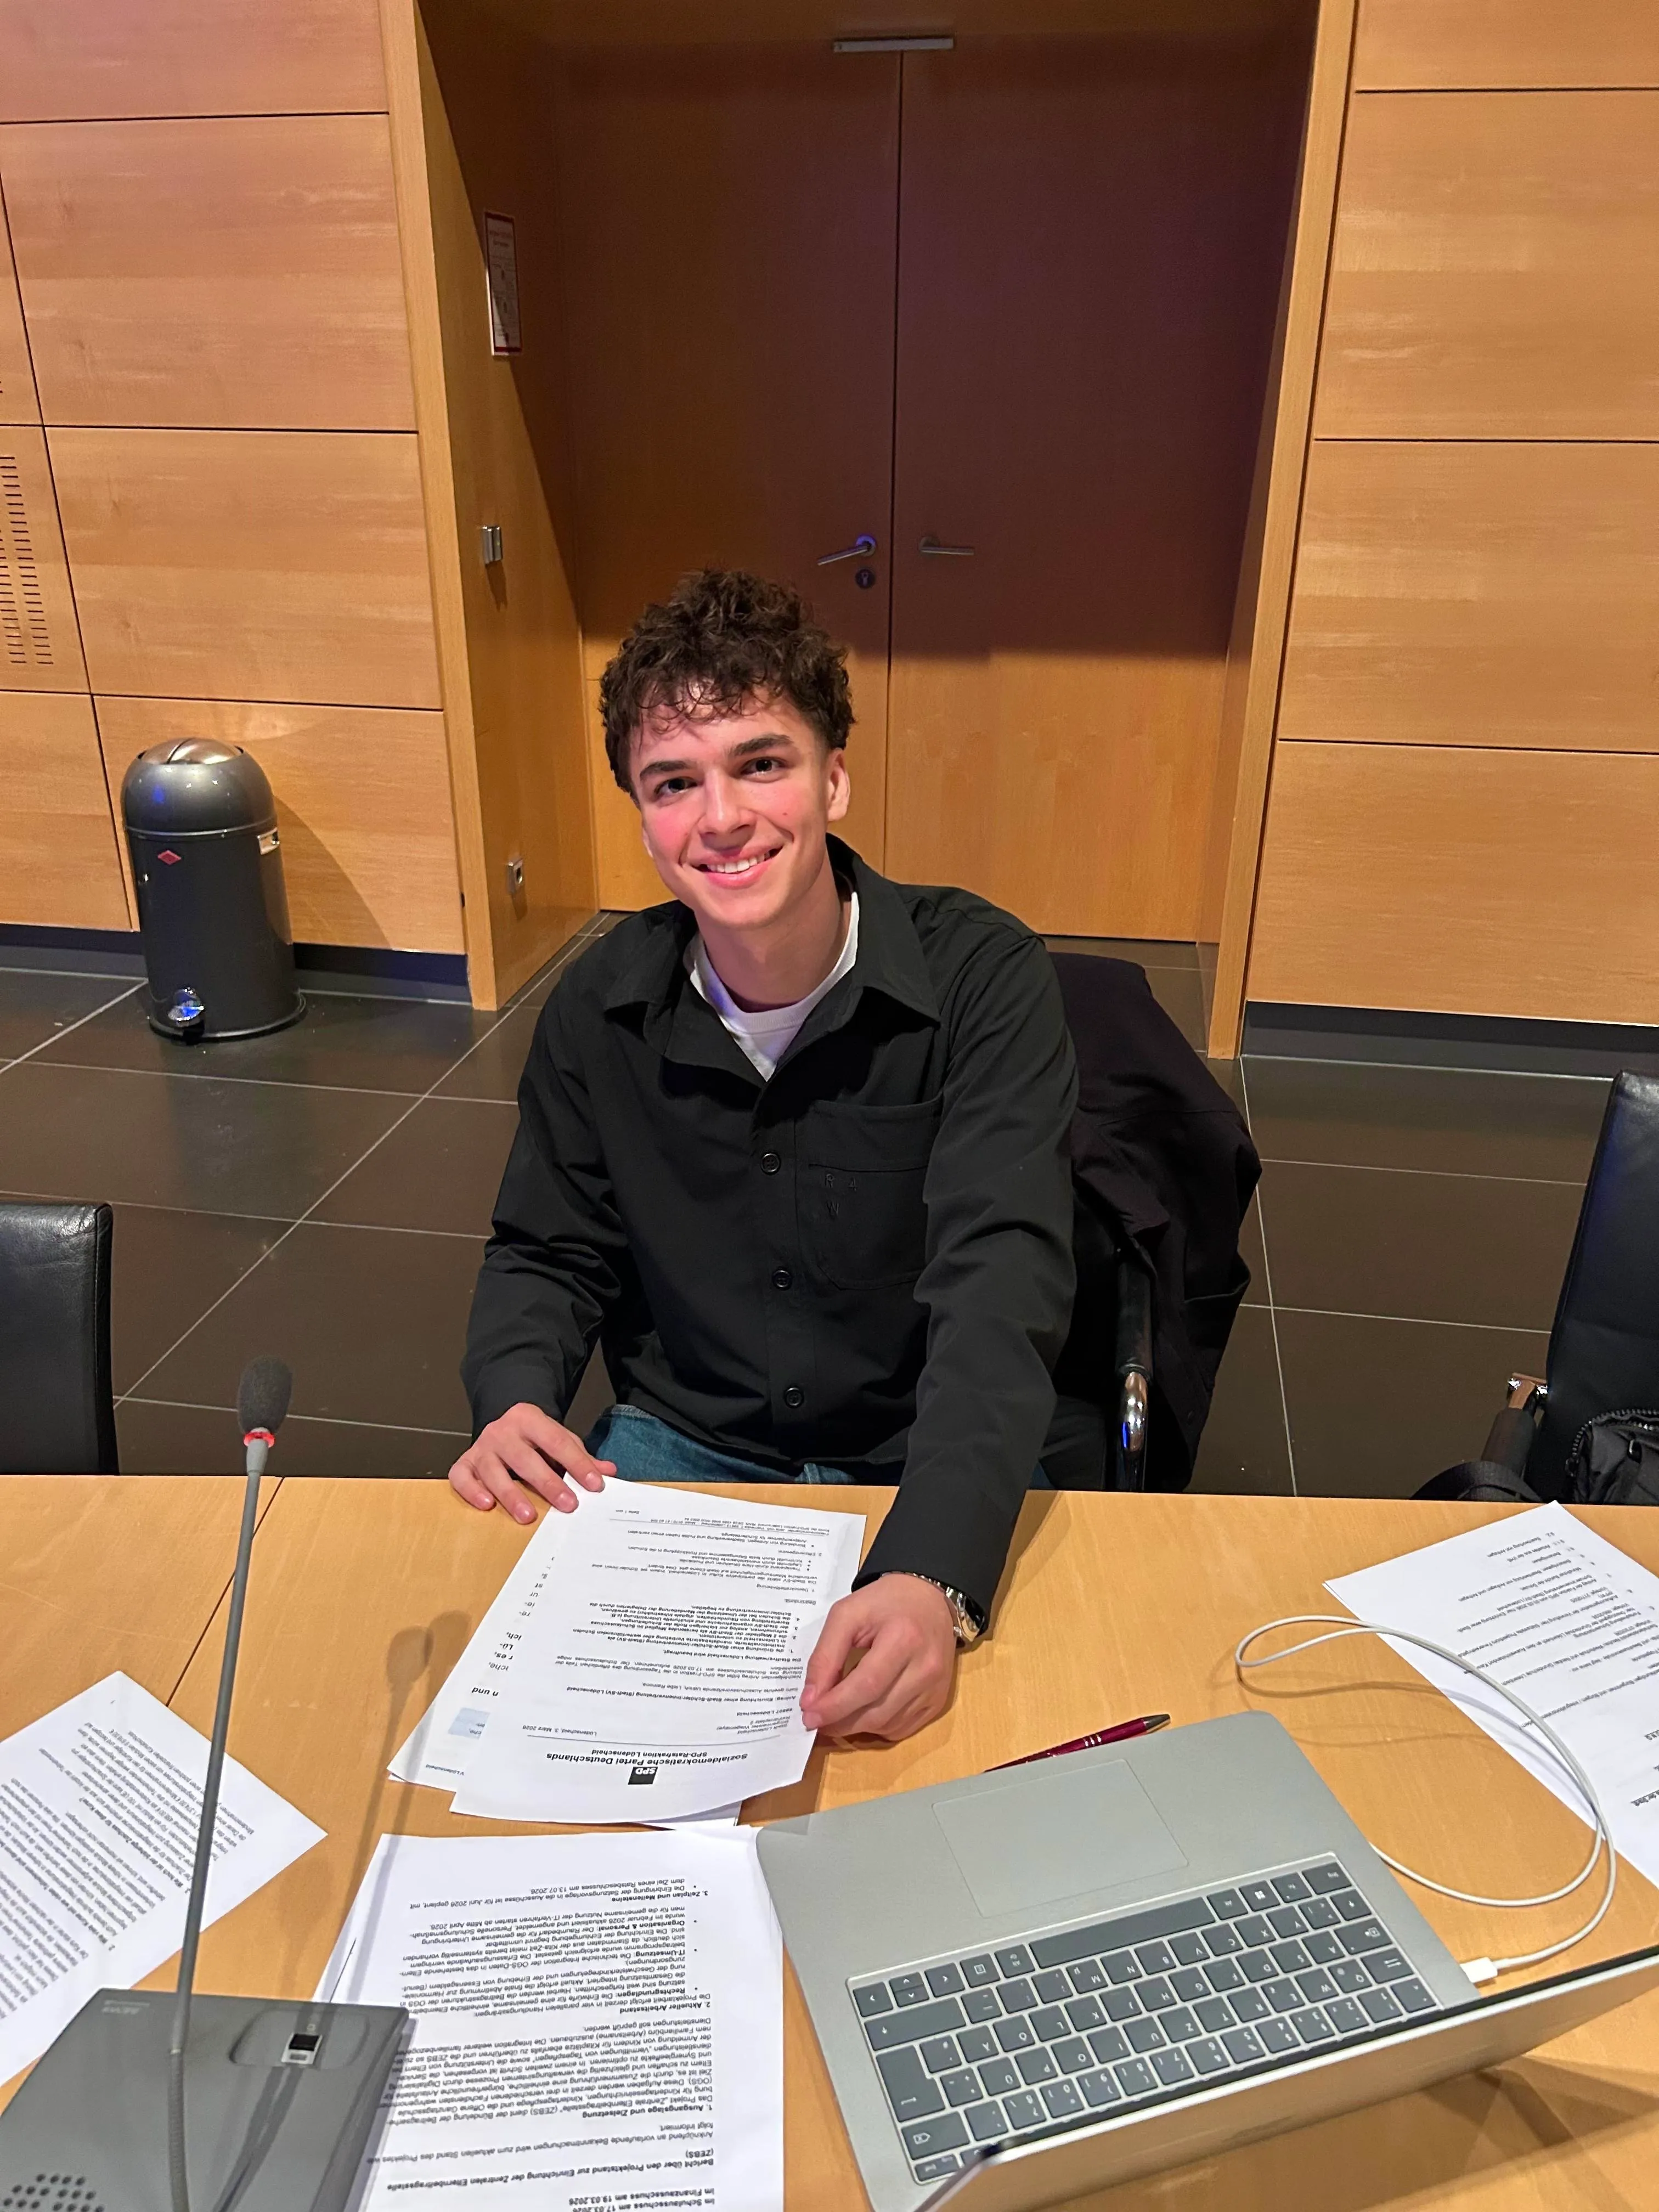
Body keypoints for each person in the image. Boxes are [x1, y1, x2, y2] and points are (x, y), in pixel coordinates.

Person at [450, 569, 1076, 1742]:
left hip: (914, 1438)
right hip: (686, 1440)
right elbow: (547, 1243)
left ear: (835, 776)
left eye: (761, 764)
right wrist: (514, 1395)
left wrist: (933, 1571)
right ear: (642, 814)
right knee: (538, 1740)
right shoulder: (598, 1006)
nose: (721, 819)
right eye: (674, 783)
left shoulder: (984, 979)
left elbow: (1002, 1286)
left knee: (961, 1754)